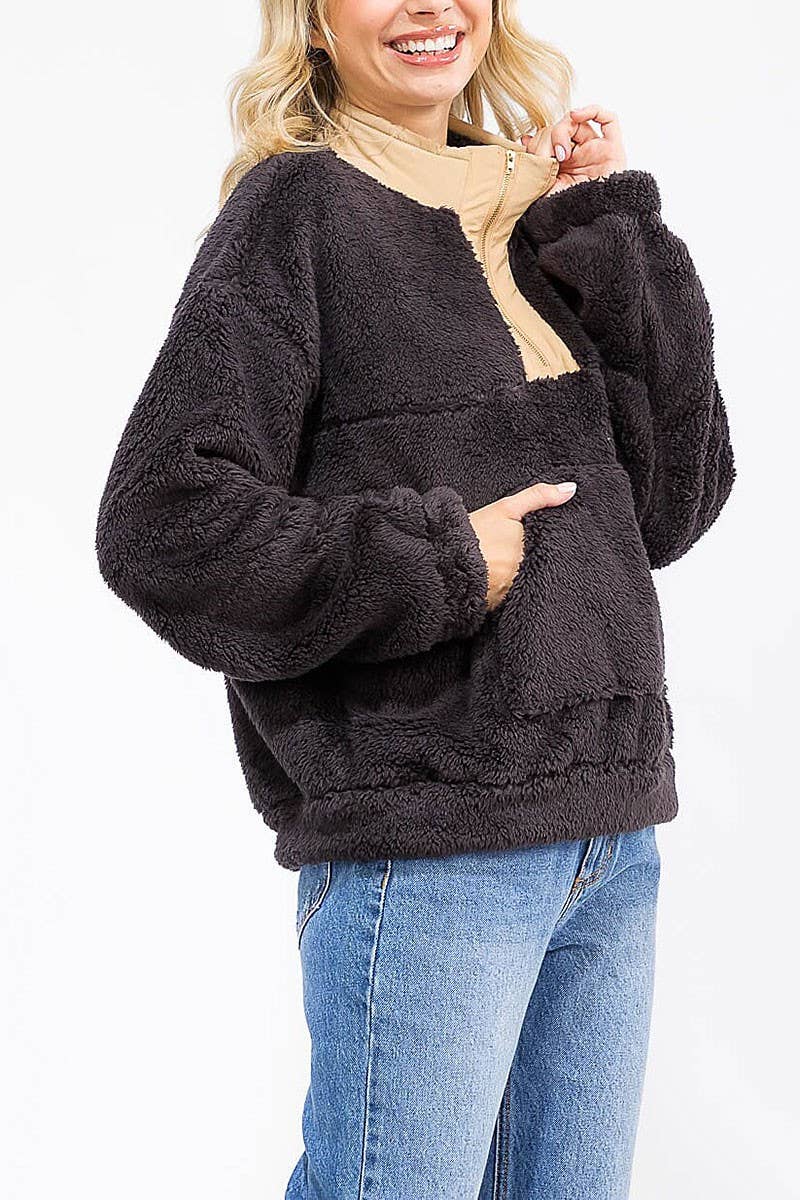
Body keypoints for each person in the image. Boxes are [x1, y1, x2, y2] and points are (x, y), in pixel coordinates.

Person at [94, 1, 736, 1196]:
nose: (429, 6)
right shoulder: (295, 212)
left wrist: (608, 227)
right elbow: (164, 522)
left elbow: (673, 502)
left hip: (609, 831)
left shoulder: (538, 214)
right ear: (313, 22)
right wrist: (433, 561)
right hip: (430, 846)